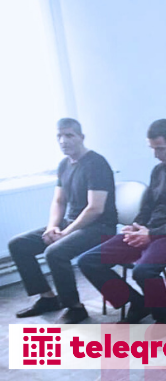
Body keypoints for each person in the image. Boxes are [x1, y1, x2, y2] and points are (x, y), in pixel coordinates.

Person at [78, 119, 166, 324]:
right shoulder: (158, 171)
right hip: (150, 231)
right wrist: (136, 226)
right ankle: (137, 303)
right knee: (88, 261)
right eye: (152, 149)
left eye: (160, 149)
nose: (155, 154)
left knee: (144, 271)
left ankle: (165, 316)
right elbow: (147, 207)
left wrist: (151, 234)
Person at [9, 118, 117, 324]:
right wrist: (52, 227)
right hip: (73, 224)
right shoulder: (64, 165)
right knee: (18, 244)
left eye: (69, 135)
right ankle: (48, 298)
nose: (63, 141)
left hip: (100, 227)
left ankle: (75, 307)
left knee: (55, 252)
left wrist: (65, 233)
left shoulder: (96, 164)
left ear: (81, 137)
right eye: (59, 136)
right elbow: (59, 201)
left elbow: (95, 208)